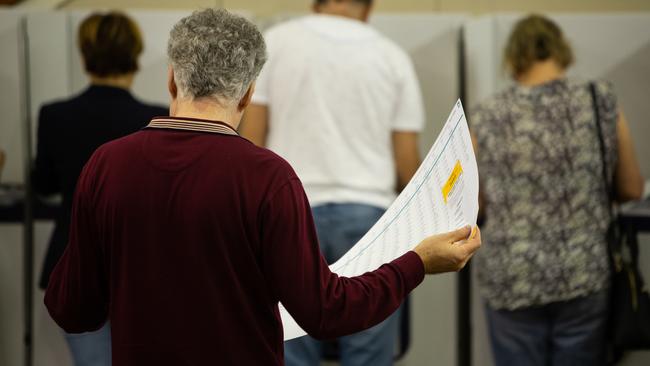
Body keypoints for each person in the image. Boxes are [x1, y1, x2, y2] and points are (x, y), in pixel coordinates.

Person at [44, 8, 481, 366]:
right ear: (249, 93)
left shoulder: (107, 164)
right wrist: (417, 263)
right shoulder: (265, 177)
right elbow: (325, 312)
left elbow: (71, 308)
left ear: (173, 79)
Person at [239, 1, 424, 364]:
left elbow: (251, 144)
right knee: (368, 347)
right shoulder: (392, 57)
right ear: (368, 8)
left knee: (290, 344)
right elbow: (407, 166)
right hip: (371, 219)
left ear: (317, 3)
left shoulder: (275, 44)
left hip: (290, 211)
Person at [471, 14, 644, 366]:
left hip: (512, 275)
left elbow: (474, 205)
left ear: (514, 57)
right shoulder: (599, 100)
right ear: (562, 51)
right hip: (582, 271)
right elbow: (631, 186)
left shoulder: (487, 114)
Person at [32, 11, 167, 366]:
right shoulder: (157, 119)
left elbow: (44, 185)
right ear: (135, 56)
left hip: (74, 258)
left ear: (85, 56)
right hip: (143, 265)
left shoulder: (55, 115)